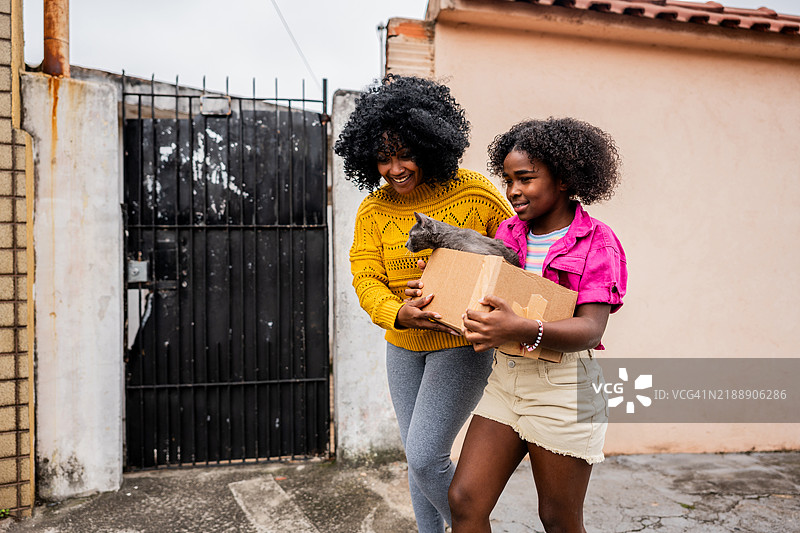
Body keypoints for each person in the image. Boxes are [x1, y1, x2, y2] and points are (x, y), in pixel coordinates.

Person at [334, 75, 514, 533]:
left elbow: (514, 255)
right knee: (417, 457)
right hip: (403, 343)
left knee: (424, 454)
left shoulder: (474, 192)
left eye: (405, 154)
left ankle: (471, 525)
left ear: (431, 144)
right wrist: (396, 311)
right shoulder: (372, 210)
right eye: (382, 158)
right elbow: (366, 275)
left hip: (460, 341)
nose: (394, 168)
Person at [448, 117, 627, 533]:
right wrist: (439, 287)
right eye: (508, 179)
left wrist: (520, 328)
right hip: (505, 381)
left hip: (563, 389)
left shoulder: (598, 241)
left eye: (525, 179)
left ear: (564, 179)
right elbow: (485, 298)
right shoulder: (508, 233)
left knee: (558, 519)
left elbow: (591, 329)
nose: (512, 191)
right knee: (464, 500)